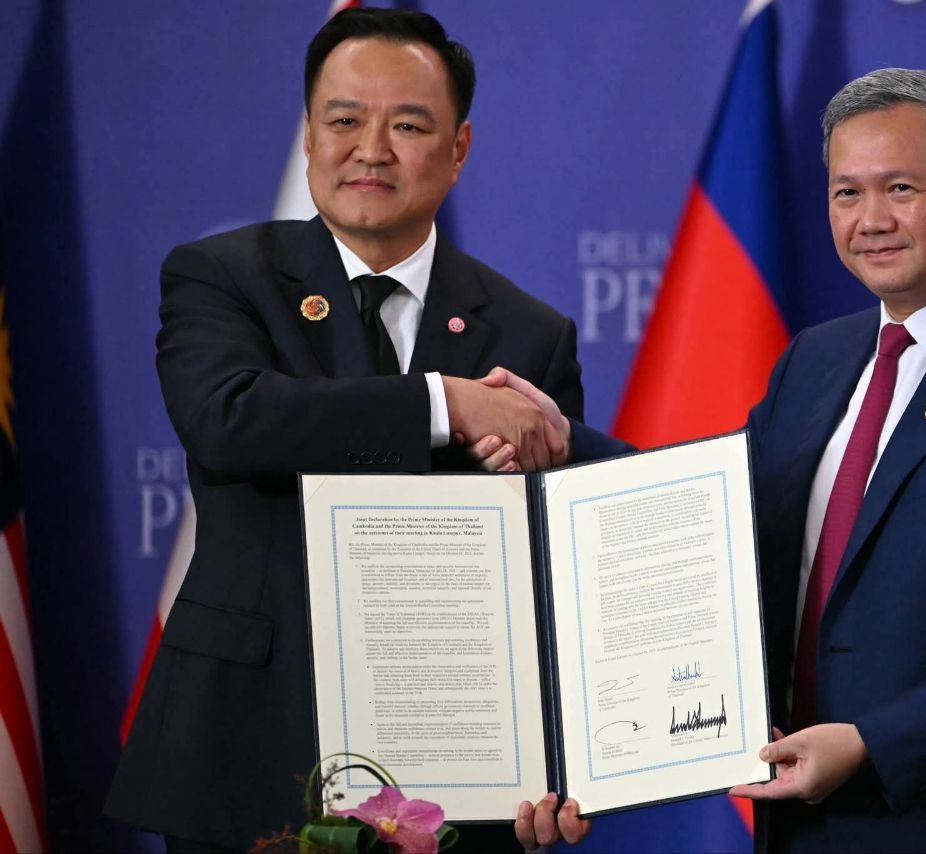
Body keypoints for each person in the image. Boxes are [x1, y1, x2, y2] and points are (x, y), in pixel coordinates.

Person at [478, 68, 926, 851]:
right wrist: (564, 443)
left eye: (900, 188)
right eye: (846, 193)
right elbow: (712, 525)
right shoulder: (816, 360)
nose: (871, 220)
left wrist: (870, 743)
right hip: (806, 823)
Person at [106, 9, 589, 852]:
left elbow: (555, 570)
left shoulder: (529, 334)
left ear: (459, 148)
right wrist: (446, 406)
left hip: (458, 764)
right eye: (344, 120)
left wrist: (565, 758)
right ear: (308, 135)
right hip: (251, 748)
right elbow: (230, 421)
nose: (372, 150)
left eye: (408, 126)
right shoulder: (222, 276)